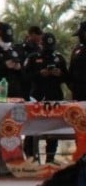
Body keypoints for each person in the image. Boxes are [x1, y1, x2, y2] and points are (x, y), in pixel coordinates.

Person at [24, 31, 68, 163]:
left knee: (54, 129)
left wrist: (59, 74)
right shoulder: (32, 58)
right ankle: (31, 157)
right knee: (32, 128)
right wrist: (40, 74)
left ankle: (50, 157)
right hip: (37, 97)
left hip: (54, 97)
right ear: (41, 45)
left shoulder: (59, 58)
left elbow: (67, 77)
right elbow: (25, 77)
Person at [0, 21, 24, 98]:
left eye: (9, 41)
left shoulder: (17, 51)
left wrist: (19, 69)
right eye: (5, 40)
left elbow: (23, 76)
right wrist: (4, 66)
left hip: (13, 92)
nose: (7, 43)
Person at [69, 21, 86, 101]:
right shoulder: (77, 49)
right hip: (78, 93)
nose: (79, 38)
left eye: (81, 35)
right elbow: (71, 70)